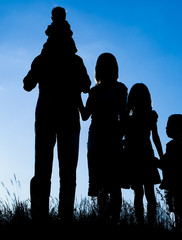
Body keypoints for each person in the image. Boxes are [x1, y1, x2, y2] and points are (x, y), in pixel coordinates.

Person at [23, 6, 91, 222]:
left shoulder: (43, 59)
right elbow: (86, 85)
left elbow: (27, 84)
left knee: (44, 168)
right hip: (67, 117)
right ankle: (64, 217)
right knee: (67, 172)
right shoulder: (75, 61)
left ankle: (40, 216)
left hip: (46, 116)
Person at [79, 52, 128, 223]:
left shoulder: (115, 89)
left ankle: (109, 218)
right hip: (103, 138)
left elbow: (85, 115)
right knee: (108, 183)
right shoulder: (118, 89)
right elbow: (86, 115)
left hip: (105, 138)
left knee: (109, 183)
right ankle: (109, 218)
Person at [125, 83, 163, 225]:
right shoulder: (150, 115)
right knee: (149, 193)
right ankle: (149, 223)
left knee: (139, 193)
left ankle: (141, 222)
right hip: (146, 154)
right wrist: (161, 155)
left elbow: (155, 137)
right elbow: (155, 137)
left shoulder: (130, 118)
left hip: (135, 156)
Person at [159, 114, 182, 230]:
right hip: (179, 183)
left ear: (176, 128)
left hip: (177, 182)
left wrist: (156, 162)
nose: (166, 129)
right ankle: (180, 228)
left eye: (168, 126)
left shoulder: (176, 146)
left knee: (177, 207)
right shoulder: (181, 146)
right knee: (175, 207)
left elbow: (168, 164)